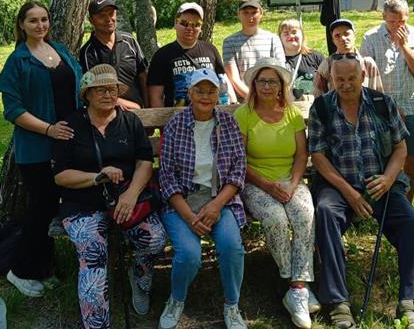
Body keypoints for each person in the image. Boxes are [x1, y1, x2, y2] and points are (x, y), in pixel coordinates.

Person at [309, 56, 414, 329]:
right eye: (339, 79)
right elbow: (317, 156)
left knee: (412, 223)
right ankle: (338, 302)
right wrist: (348, 192)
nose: (345, 84)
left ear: (362, 76)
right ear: (331, 79)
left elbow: (401, 148)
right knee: (326, 213)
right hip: (338, 184)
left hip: (380, 183)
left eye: (351, 78)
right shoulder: (322, 107)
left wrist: (388, 179)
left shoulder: (381, 103)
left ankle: (409, 302)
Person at [53, 64, 167, 328]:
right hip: (83, 205)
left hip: (127, 200)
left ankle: (139, 278)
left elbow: (144, 162)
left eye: (113, 89)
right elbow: (60, 175)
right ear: (87, 95)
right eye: (100, 89)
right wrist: (96, 177)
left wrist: (130, 194)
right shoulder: (72, 125)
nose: (107, 94)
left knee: (155, 239)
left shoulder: (129, 121)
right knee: (94, 259)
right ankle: (97, 324)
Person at [0, 1, 83, 298]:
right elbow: (13, 110)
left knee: (54, 208)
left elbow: (80, 85)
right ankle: (19, 269)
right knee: (41, 207)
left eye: (44, 19)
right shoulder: (18, 61)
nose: (40, 25)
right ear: (21, 25)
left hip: (69, 142)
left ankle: (43, 268)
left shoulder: (60, 50)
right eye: (33, 21)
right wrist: (48, 129)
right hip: (37, 147)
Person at [157, 68, 247, 329]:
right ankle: (176, 300)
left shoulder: (228, 123)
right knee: (189, 255)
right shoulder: (175, 124)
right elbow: (166, 176)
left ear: (218, 95)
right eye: (200, 91)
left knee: (232, 247)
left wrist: (216, 205)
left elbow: (238, 170)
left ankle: (232, 305)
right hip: (182, 201)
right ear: (190, 93)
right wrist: (189, 216)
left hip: (220, 199)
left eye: (211, 91)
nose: (205, 96)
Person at [234, 58, 319, 329]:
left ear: (282, 85)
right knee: (276, 219)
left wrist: (293, 184)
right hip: (255, 183)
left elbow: (302, 154)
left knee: (304, 213)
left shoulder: (292, 113)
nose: (267, 86)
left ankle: (298, 287)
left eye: (272, 81)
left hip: (290, 180)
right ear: (254, 85)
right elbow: (239, 161)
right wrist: (269, 186)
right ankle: (293, 280)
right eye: (262, 81)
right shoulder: (244, 114)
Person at [360, 0, 414, 202]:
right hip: (381, 107)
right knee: (382, 156)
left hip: (412, 104)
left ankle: (407, 203)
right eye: (392, 22)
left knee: (410, 156)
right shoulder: (371, 37)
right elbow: (366, 78)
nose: (397, 26)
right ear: (384, 18)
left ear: (407, 18)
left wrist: (404, 46)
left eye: (402, 22)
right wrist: (389, 107)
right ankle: (381, 203)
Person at [148, 2, 230, 107]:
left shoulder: (211, 50)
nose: (189, 28)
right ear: (175, 24)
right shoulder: (162, 55)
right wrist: (161, 122)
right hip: (177, 119)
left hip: (211, 116)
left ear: (201, 28)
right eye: (184, 23)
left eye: (196, 24)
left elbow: (223, 83)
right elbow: (155, 97)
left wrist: (228, 107)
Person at [79, 0, 149, 109]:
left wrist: (148, 108)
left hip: (139, 115)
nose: (108, 19)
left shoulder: (130, 41)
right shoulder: (88, 53)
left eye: (111, 14)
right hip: (107, 116)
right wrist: (127, 105)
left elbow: (144, 77)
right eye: (102, 16)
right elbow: (90, 91)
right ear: (91, 20)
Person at [223, 0, 285, 101]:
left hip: (272, 99)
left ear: (261, 13)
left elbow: (281, 72)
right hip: (244, 102)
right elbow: (233, 78)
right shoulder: (229, 42)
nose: (250, 17)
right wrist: (254, 98)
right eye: (245, 13)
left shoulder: (273, 39)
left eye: (254, 12)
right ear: (238, 14)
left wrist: (268, 97)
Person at [314, 18, 383, 97]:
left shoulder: (367, 63)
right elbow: (318, 97)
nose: (342, 38)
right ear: (333, 41)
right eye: (337, 36)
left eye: (346, 34)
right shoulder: (327, 65)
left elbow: (378, 96)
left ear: (354, 36)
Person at [278, 18, 324, 99]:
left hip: (313, 107)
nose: (291, 36)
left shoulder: (316, 57)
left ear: (302, 35)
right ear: (280, 38)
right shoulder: (276, 60)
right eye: (286, 33)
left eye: (294, 32)